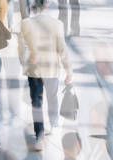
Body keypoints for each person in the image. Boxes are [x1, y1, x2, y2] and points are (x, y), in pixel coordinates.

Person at [19, 0, 73, 143]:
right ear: (47, 5)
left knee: (36, 102)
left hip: (34, 69)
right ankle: (54, 124)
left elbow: (21, 48)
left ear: (33, 6)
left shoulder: (26, 23)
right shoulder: (57, 25)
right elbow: (62, 49)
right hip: (52, 68)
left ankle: (39, 133)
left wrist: (25, 64)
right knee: (52, 97)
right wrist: (69, 70)